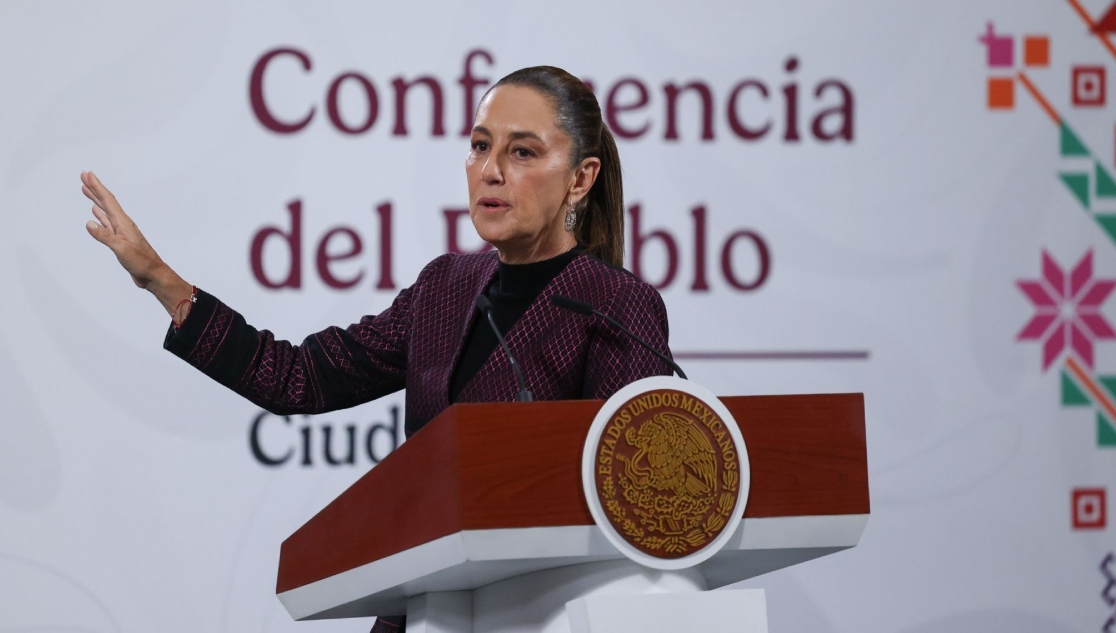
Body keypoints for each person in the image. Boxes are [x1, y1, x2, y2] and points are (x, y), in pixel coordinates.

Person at [82, 66, 675, 631]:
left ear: (580, 178)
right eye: (479, 145)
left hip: (540, 617)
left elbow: (637, 502)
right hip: (424, 612)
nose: (490, 170)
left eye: (522, 152)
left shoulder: (614, 305)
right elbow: (299, 377)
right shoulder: (444, 288)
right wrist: (161, 280)